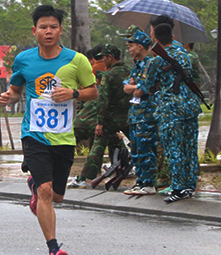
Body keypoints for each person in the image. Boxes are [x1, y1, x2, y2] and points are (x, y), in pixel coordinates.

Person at [0, 5, 97, 255]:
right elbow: (16, 89)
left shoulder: (77, 60)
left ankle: (34, 185)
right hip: (34, 134)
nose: (48, 31)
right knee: (45, 192)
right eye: (43, 27)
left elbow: (92, 91)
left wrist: (73, 94)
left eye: (53, 26)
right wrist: (10, 97)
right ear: (35, 31)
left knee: (56, 196)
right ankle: (54, 249)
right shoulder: (24, 60)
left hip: (63, 138)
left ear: (60, 30)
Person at [135, 23, 201, 203]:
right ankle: (189, 185)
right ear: (172, 38)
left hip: (170, 109)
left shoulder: (155, 61)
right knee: (189, 148)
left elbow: (146, 87)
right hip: (190, 106)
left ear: (155, 40)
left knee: (174, 148)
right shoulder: (185, 55)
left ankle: (178, 187)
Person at [68, 44, 131, 188]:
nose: (101, 60)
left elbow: (103, 100)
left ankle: (83, 178)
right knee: (141, 146)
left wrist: (100, 122)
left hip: (111, 119)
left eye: (103, 57)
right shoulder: (131, 72)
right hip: (128, 117)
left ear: (110, 57)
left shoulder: (108, 76)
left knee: (97, 148)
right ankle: (152, 177)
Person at [122, 27, 158, 195]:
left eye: (131, 45)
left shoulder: (150, 63)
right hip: (135, 113)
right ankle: (140, 181)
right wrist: (134, 87)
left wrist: (135, 87)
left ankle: (149, 183)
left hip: (147, 114)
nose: (129, 49)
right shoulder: (137, 66)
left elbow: (141, 89)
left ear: (141, 46)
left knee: (146, 149)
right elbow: (126, 88)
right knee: (135, 150)